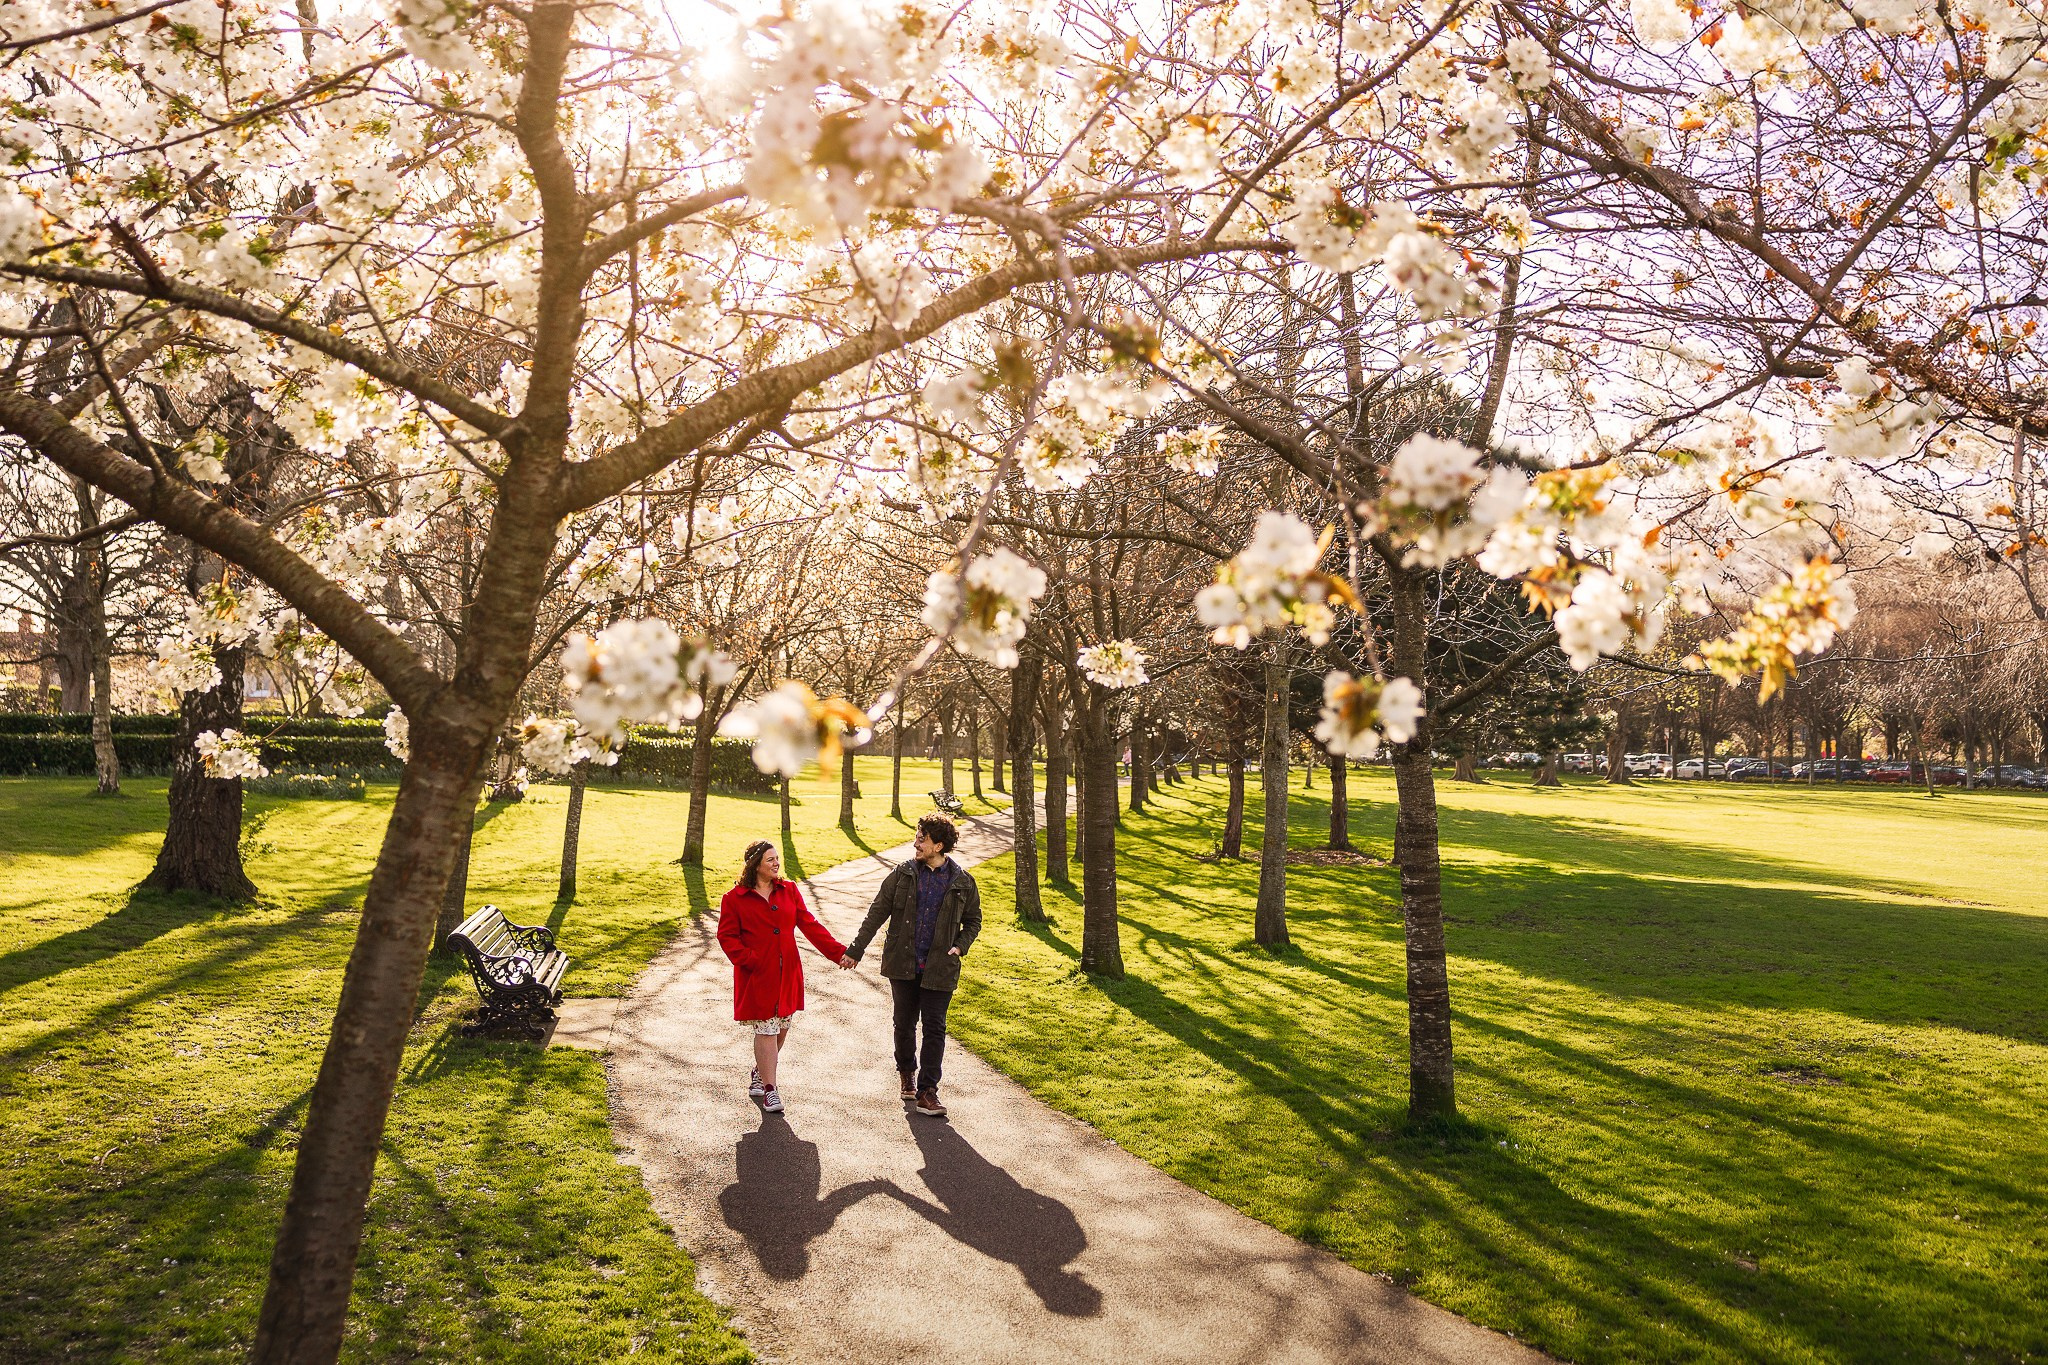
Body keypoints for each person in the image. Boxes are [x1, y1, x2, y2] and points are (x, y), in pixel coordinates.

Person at [841, 814, 981, 1117]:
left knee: (935, 1027)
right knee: (904, 1024)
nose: (916, 843)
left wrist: (960, 946)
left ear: (938, 846)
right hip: (903, 962)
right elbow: (877, 912)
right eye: (917, 837)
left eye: (922, 839)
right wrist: (855, 950)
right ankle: (907, 1073)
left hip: (940, 966)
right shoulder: (902, 874)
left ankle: (928, 1091)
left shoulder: (962, 881)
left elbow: (973, 921)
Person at [717, 839, 850, 1114]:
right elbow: (727, 937)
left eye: (777, 858)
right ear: (755, 865)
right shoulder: (734, 898)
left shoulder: (789, 890)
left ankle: (760, 1071)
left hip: (788, 973)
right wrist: (750, 960)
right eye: (770, 859)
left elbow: (810, 925)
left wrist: (839, 953)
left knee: (781, 1028)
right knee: (766, 1029)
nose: (777, 863)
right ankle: (770, 1090)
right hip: (757, 976)